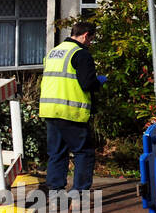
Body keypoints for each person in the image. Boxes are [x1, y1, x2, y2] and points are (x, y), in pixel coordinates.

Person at [38, 20, 105, 193]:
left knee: (57, 153)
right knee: (83, 152)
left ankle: (55, 195)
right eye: (91, 39)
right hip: (70, 111)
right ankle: (78, 195)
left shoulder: (53, 52)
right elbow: (87, 84)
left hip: (50, 110)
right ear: (85, 35)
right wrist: (99, 82)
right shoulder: (81, 54)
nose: (90, 43)